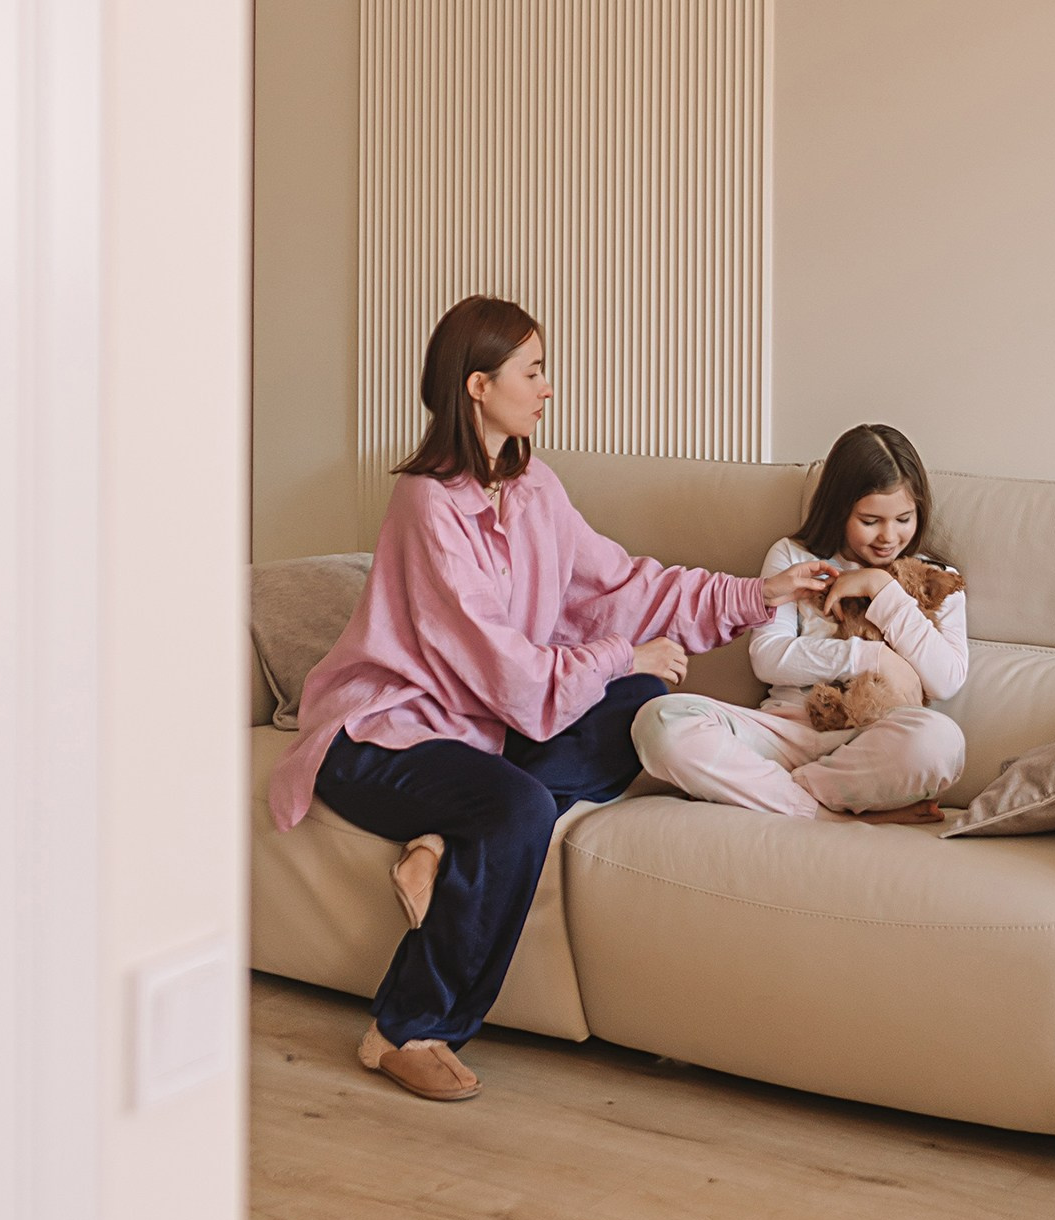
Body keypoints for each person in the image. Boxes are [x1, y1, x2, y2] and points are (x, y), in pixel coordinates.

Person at [267, 296, 829, 1103]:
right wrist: (617, 653)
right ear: (478, 386)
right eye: (531, 372)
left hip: (479, 730)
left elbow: (622, 586)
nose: (547, 388)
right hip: (383, 732)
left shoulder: (534, 487)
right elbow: (505, 670)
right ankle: (406, 1029)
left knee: (637, 704)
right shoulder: (427, 503)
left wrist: (757, 593)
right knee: (520, 807)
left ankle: (441, 843)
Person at [632, 423, 968, 825]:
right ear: (840, 509)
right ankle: (825, 814)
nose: (888, 536)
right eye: (870, 521)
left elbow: (946, 680)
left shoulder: (938, 580)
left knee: (941, 742)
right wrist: (869, 656)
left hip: (872, 743)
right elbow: (769, 658)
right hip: (785, 733)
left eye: (903, 519)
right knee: (659, 722)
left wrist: (881, 589)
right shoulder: (793, 557)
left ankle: (774, 794)